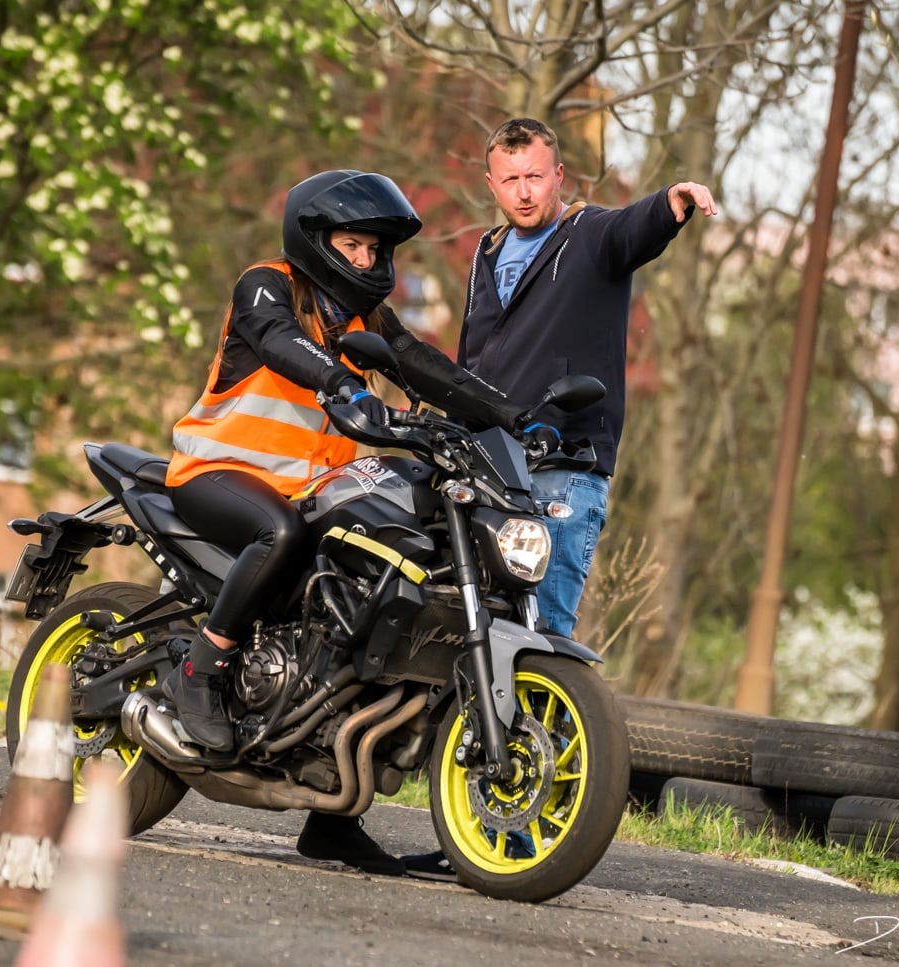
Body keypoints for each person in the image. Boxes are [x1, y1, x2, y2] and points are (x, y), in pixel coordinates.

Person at [161, 169, 525, 877]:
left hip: (309, 486)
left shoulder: (366, 322)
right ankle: (198, 672)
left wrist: (515, 418)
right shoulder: (267, 285)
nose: (364, 259)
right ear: (315, 239)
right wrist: (338, 382)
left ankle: (333, 816)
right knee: (281, 536)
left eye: (373, 249)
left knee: (379, 597)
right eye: (352, 245)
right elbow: (273, 340)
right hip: (219, 471)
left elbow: (420, 365)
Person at [400, 117, 719, 877]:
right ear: (491, 184)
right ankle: (472, 820)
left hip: (563, 470)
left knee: (543, 640)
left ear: (558, 174)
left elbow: (634, 231)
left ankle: (521, 840)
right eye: (509, 179)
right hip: (485, 466)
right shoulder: (484, 253)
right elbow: (475, 358)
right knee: (477, 634)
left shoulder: (589, 239)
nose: (523, 191)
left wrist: (671, 202)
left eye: (536, 176)